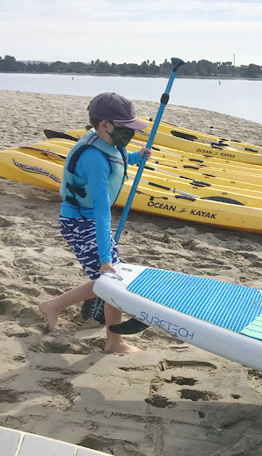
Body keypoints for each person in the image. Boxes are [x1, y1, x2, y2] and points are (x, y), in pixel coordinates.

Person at [39, 93, 151, 354]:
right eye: (126, 128)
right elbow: (102, 212)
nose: (130, 134)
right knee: (111, 278)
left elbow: (120, 158)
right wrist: (104, 259)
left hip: (89, 219)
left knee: (113, 279)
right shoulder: (94, 158)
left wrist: (137, 156)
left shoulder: (109, 142)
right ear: (105, 124)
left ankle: (58, 308)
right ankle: (112, 341)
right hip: (80, 222)